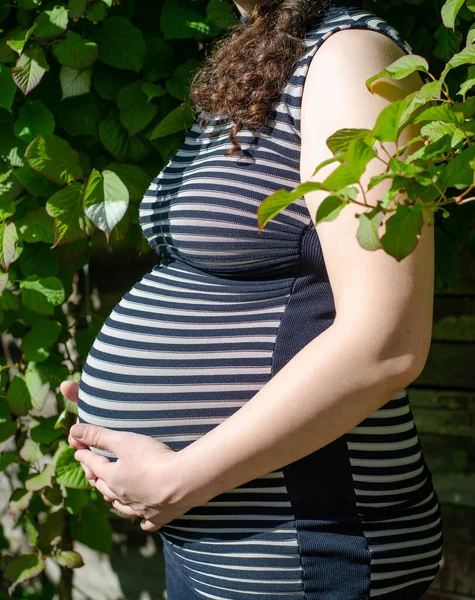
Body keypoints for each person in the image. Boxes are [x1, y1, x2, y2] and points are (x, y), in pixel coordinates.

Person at [63, 0, 444, 598]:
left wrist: (177, 475)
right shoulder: (266, 55)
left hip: (305, 538)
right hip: (219, 536)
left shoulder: (348, 59)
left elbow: (387, 342)